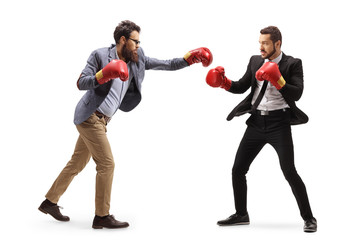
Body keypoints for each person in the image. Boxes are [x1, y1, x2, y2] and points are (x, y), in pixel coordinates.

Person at [38, 20, 213, 229]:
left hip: (103, 121)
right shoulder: (100, 55)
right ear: (123, 39)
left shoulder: (137, 58)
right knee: (107, 164)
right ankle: (102, 216)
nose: (138, 45)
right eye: (135, 41)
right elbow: (81, 82)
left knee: (77, 163)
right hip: (89, 117)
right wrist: (104, 73)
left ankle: (49, 202)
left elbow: (166, 64)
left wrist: (188, 59)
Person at [205, 26, 317, 233]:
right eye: (260, 42)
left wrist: (278, 78)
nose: (261, 47)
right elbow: (241, 86)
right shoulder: (255, 60)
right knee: (238, 169)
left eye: (265, 43)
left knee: (289, 171)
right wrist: (224, 83)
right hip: (256, 123)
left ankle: (309, 218)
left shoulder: (293, 63)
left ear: (277, 44)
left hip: (279, 123)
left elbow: (297, 93)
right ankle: (241, 214)